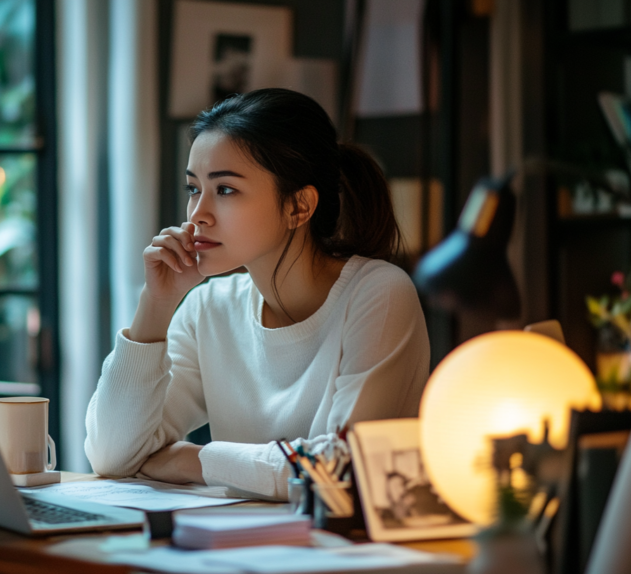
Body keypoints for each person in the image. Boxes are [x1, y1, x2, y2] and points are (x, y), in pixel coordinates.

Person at [84, 88, 430, 500]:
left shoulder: (379, 293)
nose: (197, 214)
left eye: (225, 190)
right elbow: (111, 455)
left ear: (298, 207)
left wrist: (192, 460)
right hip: (236, 552)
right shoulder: (208, 308)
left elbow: (342, 471)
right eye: (194, 188)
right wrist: (156, 304)